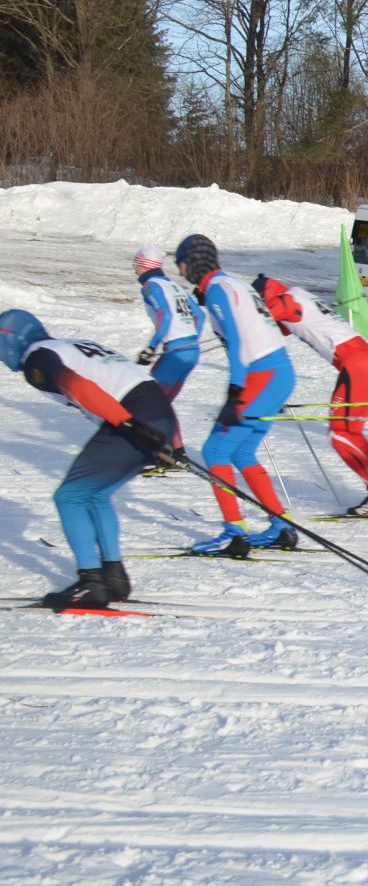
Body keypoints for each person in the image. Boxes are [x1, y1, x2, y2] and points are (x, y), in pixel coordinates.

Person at [0, 310, 179, 609]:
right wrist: (162, 433)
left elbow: (81, 388)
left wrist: (128, 424)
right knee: (96, 495)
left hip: (131, 417)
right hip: (157, 412)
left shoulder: (37, 359)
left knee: (70, 496)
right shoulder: (69, 344)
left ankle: (92, 583)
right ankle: (114, 577)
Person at [175, 233, 301, 557]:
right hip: (279, 371)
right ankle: (281, 525)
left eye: (182, 264)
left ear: (195, 262)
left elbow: (237, 340)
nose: (180, 272)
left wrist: (235, 392)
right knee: (242, 452)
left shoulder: (218, 289)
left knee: (215, 451)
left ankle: (234, 533)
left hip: (260, 373)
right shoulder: (233, 284)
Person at [253, 275, 368, 515]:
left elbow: (264, 321)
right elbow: (279, 328)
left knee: (340, 434)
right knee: (352, 434)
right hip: (366, 360)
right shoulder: (298, 293)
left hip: (355, 363)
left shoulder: (287, 300)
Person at [133, 244, 203, 405]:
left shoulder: (150, 286)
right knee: (163, 408)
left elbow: (166, 314)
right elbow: (199, 315)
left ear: (143, 265)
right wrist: (192, 340)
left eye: (135, 264)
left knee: (149, 406)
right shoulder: (173, 285)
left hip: (175, 352)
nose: (134, 270)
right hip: (192, 352)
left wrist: (151, 347)